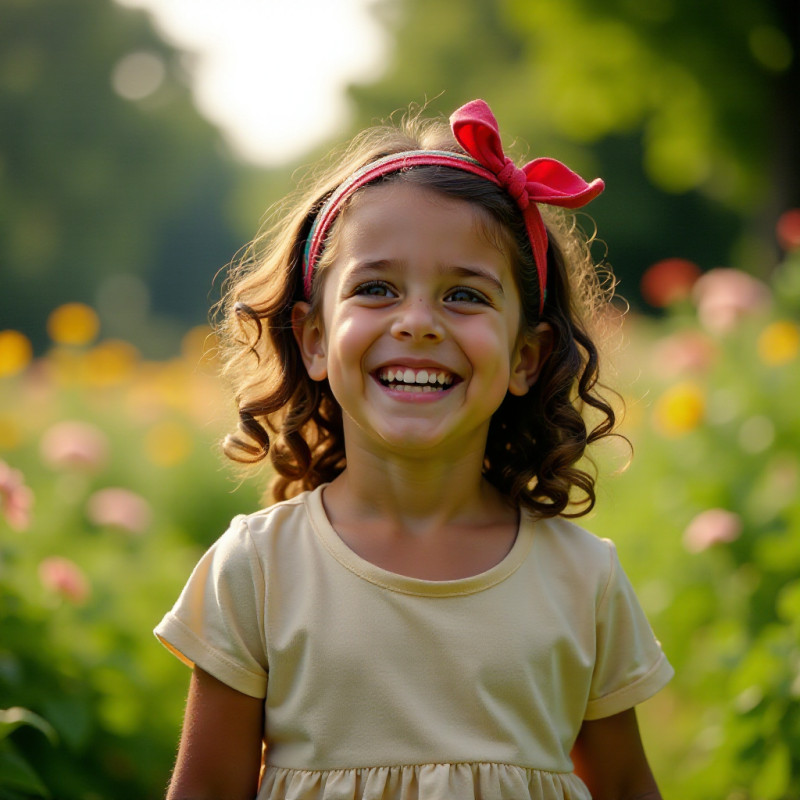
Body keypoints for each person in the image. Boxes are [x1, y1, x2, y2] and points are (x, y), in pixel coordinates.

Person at [155, 99, 673, 800]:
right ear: (312, 338)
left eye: (464, 295)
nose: (419, 323)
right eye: (376, 289)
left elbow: (625, 786)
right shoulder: (257, 570)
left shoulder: (584, 579)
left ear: (526, 356)